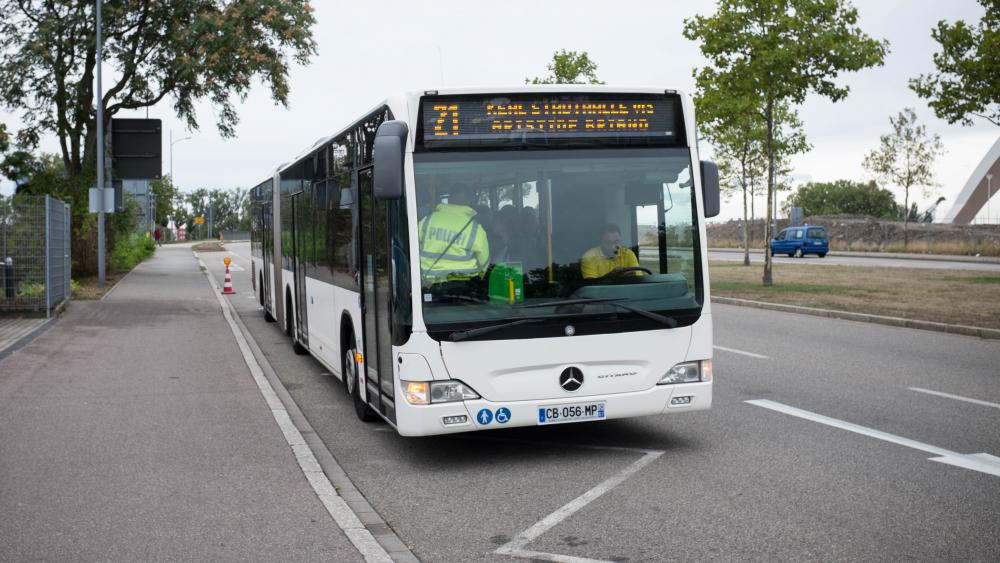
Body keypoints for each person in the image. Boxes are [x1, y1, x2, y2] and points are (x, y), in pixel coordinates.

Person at [417, 184, 490, 281]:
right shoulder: (476, 229)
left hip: (430, 285)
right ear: (469, 202)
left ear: (449, 200)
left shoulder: (427, 220)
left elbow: (412, 247)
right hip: (465, 287)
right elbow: (484, 264)